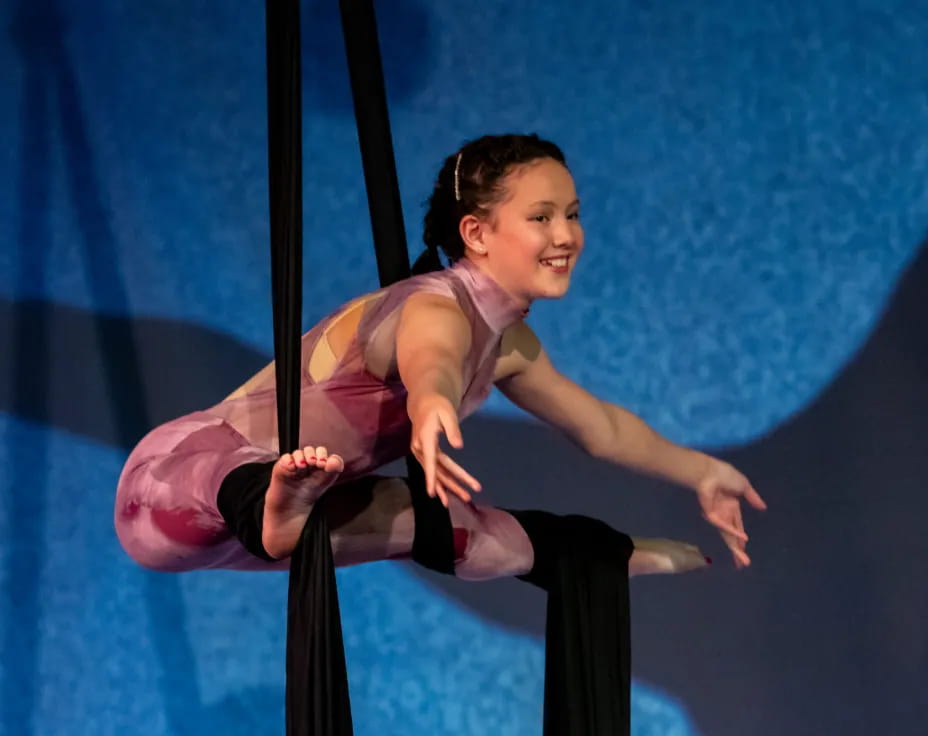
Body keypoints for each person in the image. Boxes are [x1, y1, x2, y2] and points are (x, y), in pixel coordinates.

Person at [114, 133, 766, 584]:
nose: (566, 235)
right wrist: (429, 406)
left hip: (291, 530)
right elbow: (434, 358)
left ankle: (599, 558)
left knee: (462, 534)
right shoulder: (430, 305)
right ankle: (269, 496)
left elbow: (602, 429)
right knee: (238, 471)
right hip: (170, 491)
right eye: (541, 217)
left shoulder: (512, 344)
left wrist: (703, 471)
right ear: (477, 233)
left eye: (571, 214)